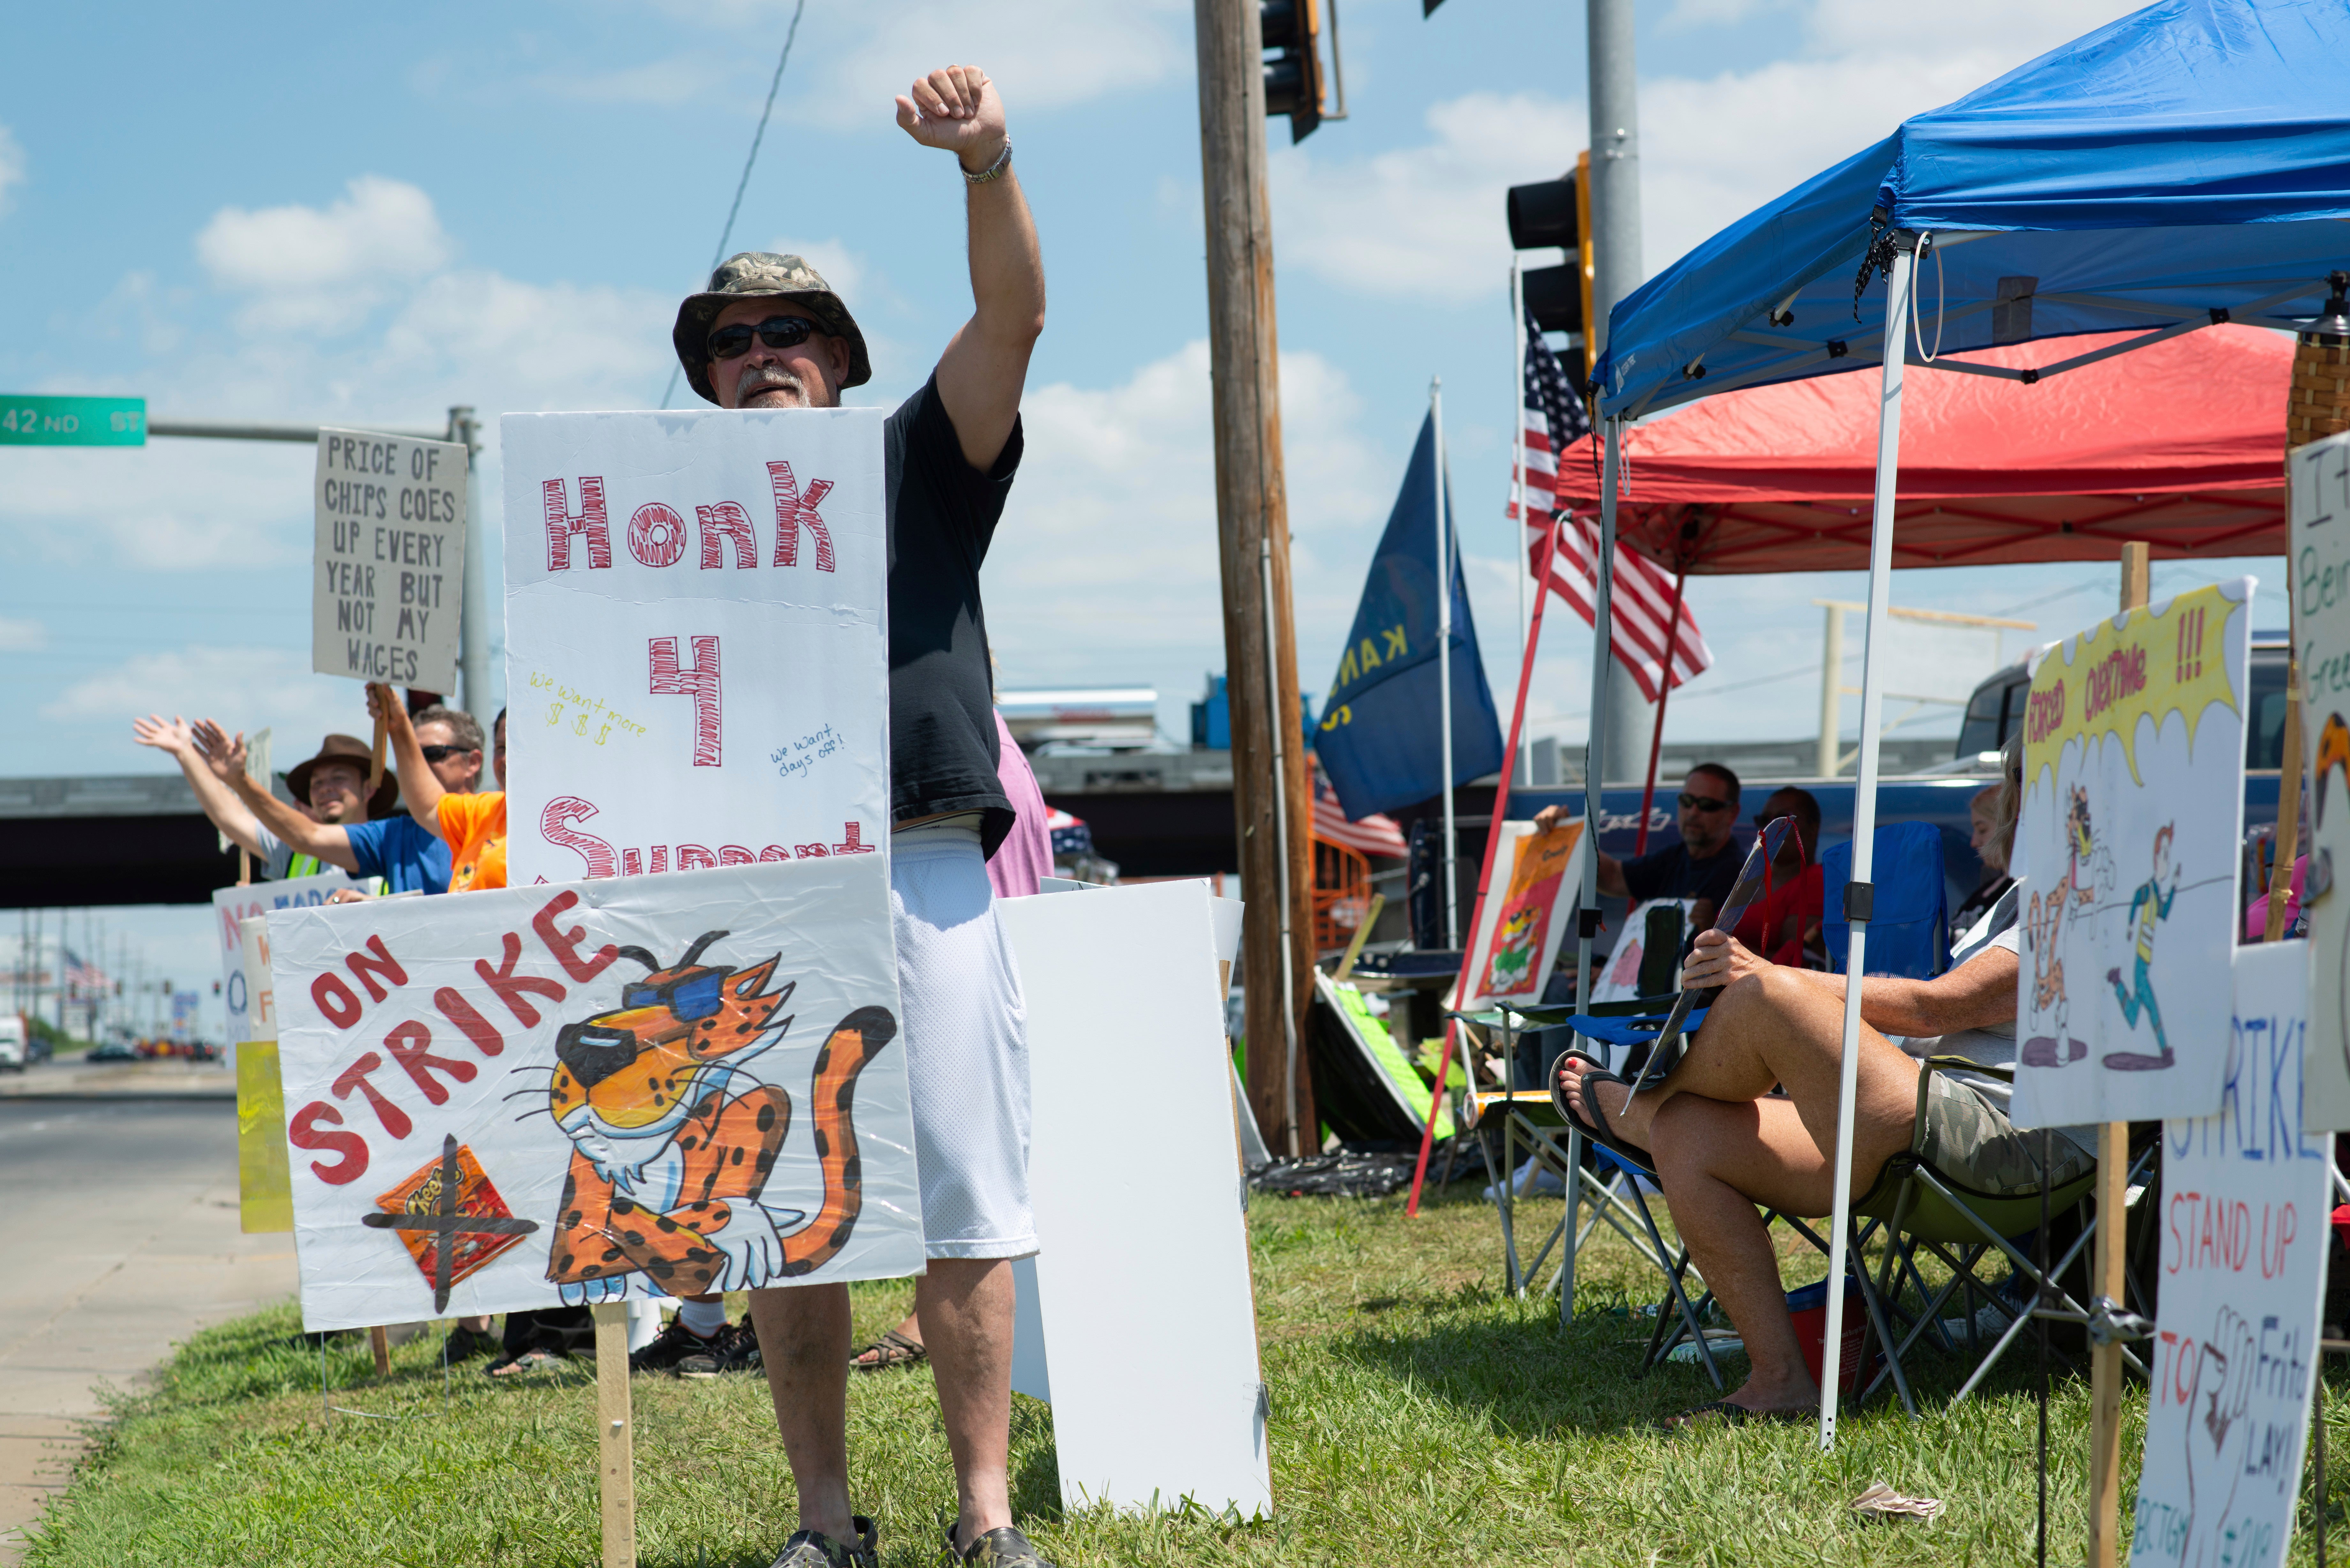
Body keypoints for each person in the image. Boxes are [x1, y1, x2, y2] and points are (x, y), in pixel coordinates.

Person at [666, 61, 1047, 1568]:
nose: (762, 353)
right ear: (704, 378)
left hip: (923, 853)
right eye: (732, 339)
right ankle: (825, 1521)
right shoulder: (658, 519)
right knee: (772, 1203)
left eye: (789, 331)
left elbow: (1012, 319)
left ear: (837, 356)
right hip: (755, 886)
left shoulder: (916, 456)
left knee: (964, 1191)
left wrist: (984, 160)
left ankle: (986, 1513)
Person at [1553, 736, 2090, 1426]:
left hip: (2005, 1139)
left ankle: (1639, 1103)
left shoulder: (2086, 895)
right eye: (2018, 772)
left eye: (2029, 774)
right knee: (1685, 1130)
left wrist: (1768, 976)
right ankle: (1779, 1380)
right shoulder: (2018, 896)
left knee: (1767, 998)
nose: (2016, 791)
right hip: (1917, 1126)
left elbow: (1940, 1006)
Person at [847, 708, 1055, 1378]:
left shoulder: (962, 739)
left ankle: (936, 1309)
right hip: (967, 913)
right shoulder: (976, 735)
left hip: (961, 915)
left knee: (961, 1165)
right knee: (962, 1162)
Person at [194, 708, 478, 897]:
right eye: (316, 783)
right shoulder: (391, 839)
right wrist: (192, 755)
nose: (325, 789)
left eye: (434, 754)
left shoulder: (504, 824)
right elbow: (304, 836)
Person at [1534, 763, 1746, 929]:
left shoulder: (1741, 877)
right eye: (1687, 800)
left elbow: (1755, 960)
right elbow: (1614, 876)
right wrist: (1566, 834)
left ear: (1733, 814)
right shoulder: (1675, 858)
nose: (1693, 812)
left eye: (1707, 805)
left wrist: (1714, 930)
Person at [132, 713, 339, 881]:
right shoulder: (293, 852)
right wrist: (186, 753)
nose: (325, 790)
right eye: (316, 784)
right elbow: (233, 820)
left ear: (369, 789)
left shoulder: (373, 844)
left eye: (339, 779)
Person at [1732, 787, 1823, 968]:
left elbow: (1793, 964)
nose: (1770, 828)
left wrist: (1728, 952)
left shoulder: (1815, 882)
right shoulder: (1751, 876)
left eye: (1784, 820)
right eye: (1764, 821)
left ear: (1812, 829)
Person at [1952, 783, 2015, 932]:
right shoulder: (1991, 886)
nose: (1974, 843)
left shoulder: (2021, 893)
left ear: (2010, 825)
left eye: (1982, 830)